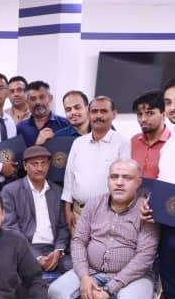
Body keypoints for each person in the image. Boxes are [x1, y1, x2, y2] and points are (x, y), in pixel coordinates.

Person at [49, 159, 159, 299]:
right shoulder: (94, 204)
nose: (119, 182)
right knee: (56, 292)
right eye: (114, 177)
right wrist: (84, 277)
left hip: (133, 276)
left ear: (138, 182)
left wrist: (109, 289)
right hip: (91, 270)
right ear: (108, 180)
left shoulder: (146, 211)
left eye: (126, 178)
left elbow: (145, 256)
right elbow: (78, 241)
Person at [138, 125, 175, 299]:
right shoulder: (171, 143)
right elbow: (165, 183)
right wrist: (149, 204)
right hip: (169, 227)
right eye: (170, 105)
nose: (173, 108)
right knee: (172, 294)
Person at [61, 96, 130, 233]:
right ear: (89, 114)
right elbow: (69, 178)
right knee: (77, 247)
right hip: (78, 213)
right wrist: (68, 210)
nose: (98, 116)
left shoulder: (122, 143)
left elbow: (125, 182)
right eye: (94, 111)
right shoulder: (78, 143)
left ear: (114, 114)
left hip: (108, 215)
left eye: (103, 111)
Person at [2, 146, 71, 273]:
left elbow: (63, 227)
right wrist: (36, 257)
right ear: (25, 166)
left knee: (71, 267)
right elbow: (10, 228)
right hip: (26, 248)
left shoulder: (57, 191)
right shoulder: (11, 191)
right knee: (21, 269)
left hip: (52, 248)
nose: (40, 168)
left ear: (49, 165)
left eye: (43, 163)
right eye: (35, 164)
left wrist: (58, 250)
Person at [16, 80, 69, 147]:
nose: (38, 102)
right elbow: (17, 154)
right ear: (27, 102)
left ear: (50, 98)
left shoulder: (65, 124)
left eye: (42, 97)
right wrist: (37, 144)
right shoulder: (20, 128)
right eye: (33, 99)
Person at [130, 91, 170, 179]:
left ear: (163, 114)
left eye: (150, 113)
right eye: (139, 114)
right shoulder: (133, 141)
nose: (143, 119)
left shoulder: (172, 142)